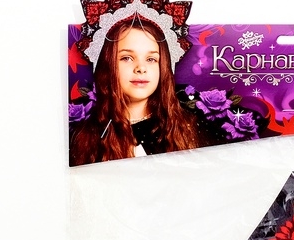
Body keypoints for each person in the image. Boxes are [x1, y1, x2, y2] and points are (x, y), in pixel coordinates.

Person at [69, 17, 209, 165]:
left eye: (151, 59)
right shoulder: (84, 136)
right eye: (127, 58)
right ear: (108, 65)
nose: (141, 68)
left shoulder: (188, 128)